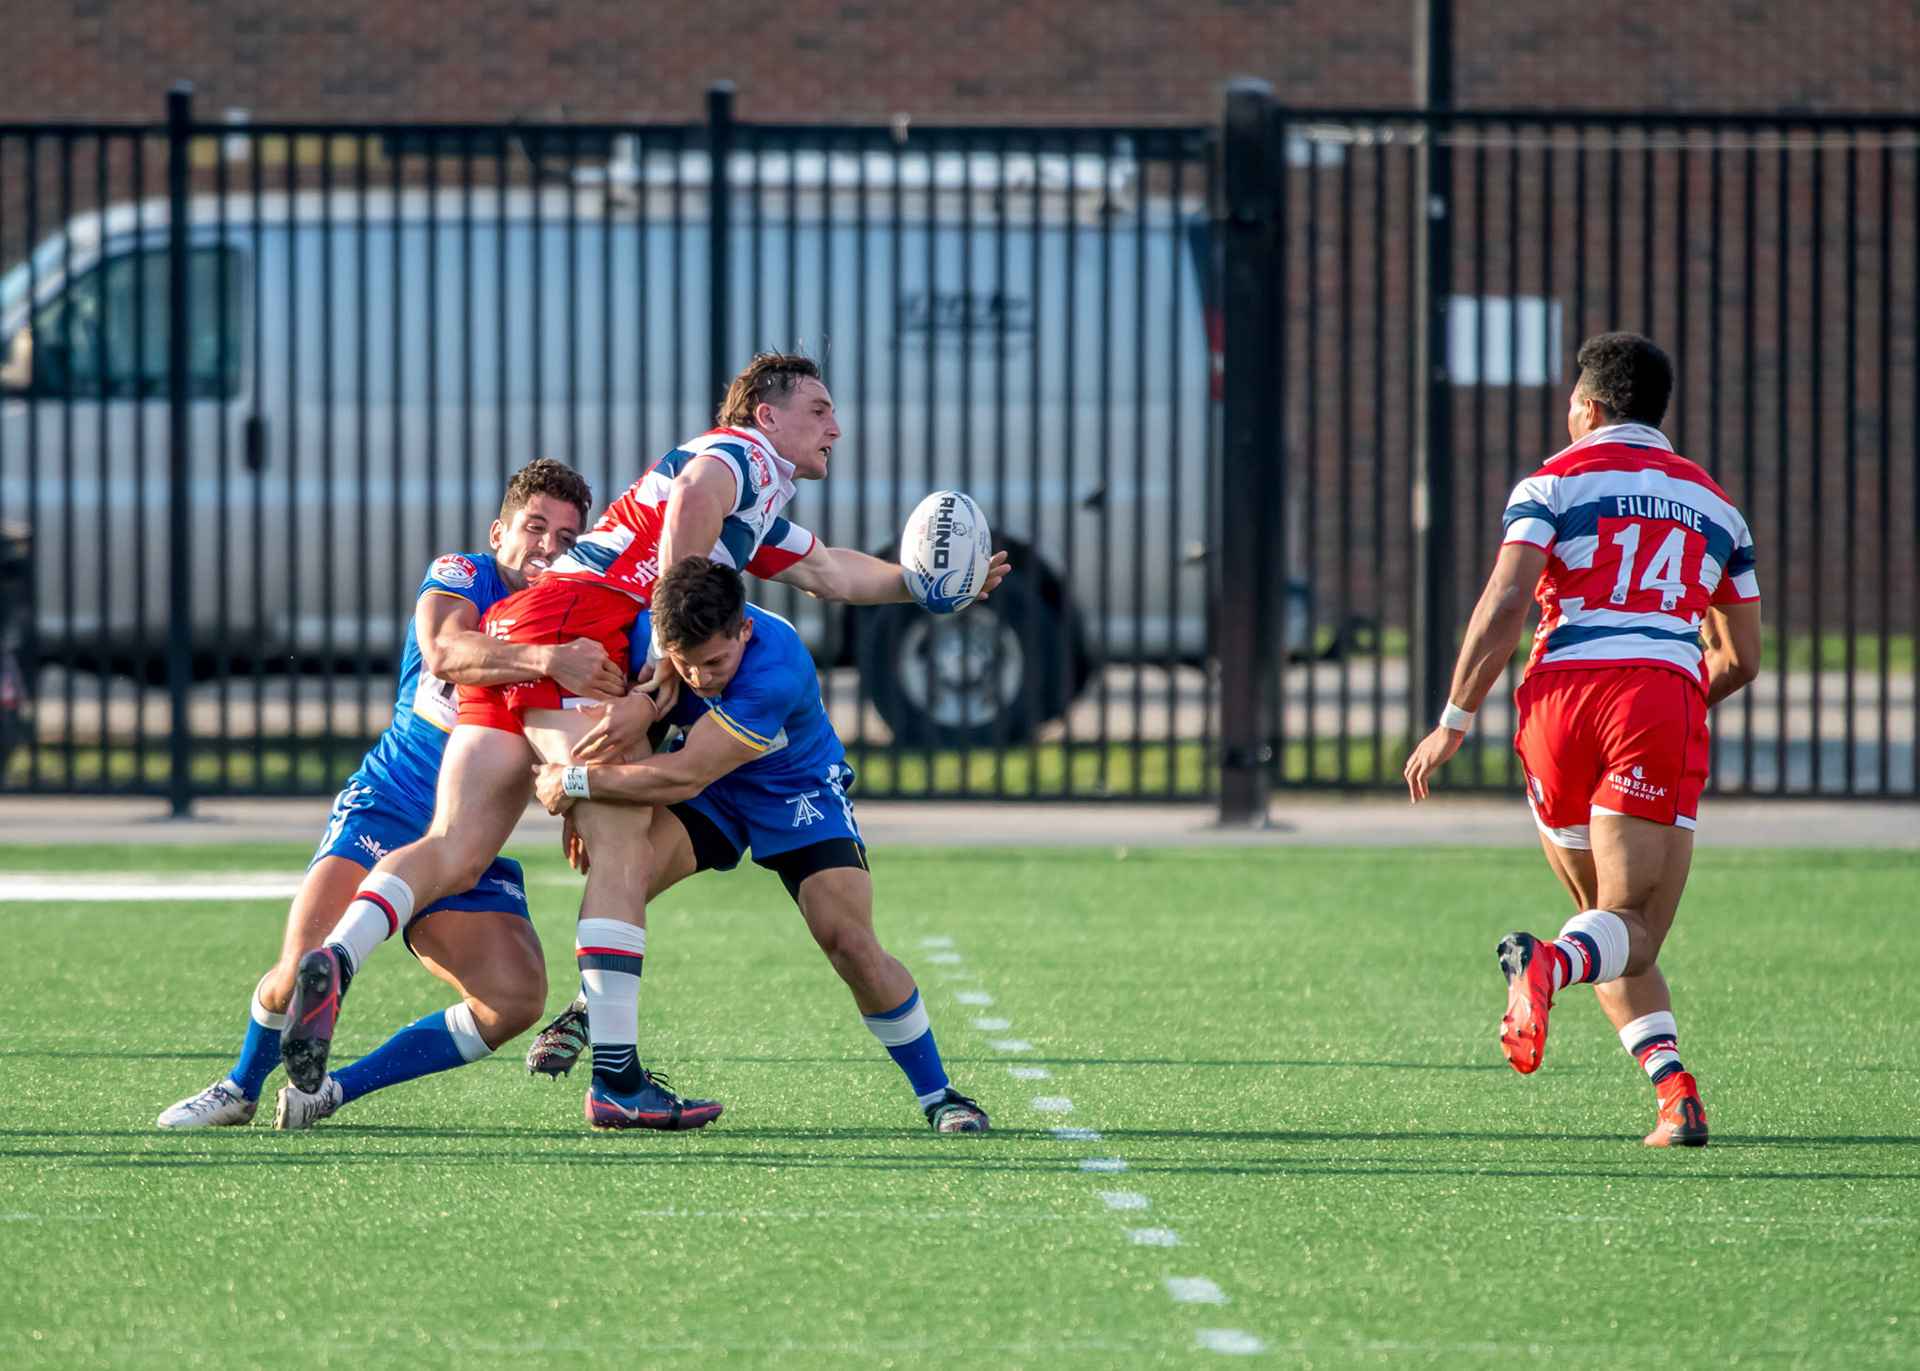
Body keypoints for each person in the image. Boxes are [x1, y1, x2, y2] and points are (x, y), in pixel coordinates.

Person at [276, 353, 1006, 1131]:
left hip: (536, 622)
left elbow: (829, 571)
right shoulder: (740, 459)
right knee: (620, 845)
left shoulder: (748, 516)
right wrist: (660, 666)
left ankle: (342, 954)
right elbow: (694, 505)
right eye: (820, 408)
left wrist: (926, 582)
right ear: (766, 414)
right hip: (583, 629)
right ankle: (617, 1079)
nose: (836, 426)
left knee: (456, 844)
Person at [157, 460, 620, 1129]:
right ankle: (239, 1087)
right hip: (389, 807)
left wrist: (580, 794)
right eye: (536, 527)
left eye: (568, 537)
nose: (549, 546)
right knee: (299, 971)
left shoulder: (574, 612)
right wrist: (548, 660)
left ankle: (332, 1090)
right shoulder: (465, 573)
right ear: (499, 532)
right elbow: (443, 650)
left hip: (469, 838)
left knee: (515, 998)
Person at [1403, 332, 1762, 1147]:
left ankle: (1677, 1096)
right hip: (1651, 699)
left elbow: (1505, 603)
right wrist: (1671, 700)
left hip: (1555, 705)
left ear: (1589, 408)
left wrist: (1453, 718)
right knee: (1631, 930)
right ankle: (1548, 967)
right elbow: (1741, 656)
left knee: (1605, 923)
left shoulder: (1551, 482)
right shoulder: (1715, 506)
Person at [528, 556, 990, 1133]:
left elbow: (684, 775)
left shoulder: (775, 668)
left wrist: (573, 783)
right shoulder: (656, 635)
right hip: (712, 788)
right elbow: (641, 729)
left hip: (792, 789)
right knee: (623, 871)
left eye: (715, 661)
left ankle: (939, 1095)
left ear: (744, 627)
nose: (700, 678)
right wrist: (594, 815)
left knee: (848, 940)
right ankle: (592, 1009)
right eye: (685, 665)